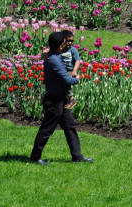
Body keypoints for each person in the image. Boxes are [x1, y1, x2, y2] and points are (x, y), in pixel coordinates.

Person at [30, 32, 93, 165]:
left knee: (70, 126)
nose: (66, 44)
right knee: (47, 129)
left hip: (62, 99)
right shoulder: (54, 60)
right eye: (64, 42)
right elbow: (67, 79)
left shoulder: (54, 56)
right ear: (59, 46)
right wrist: (78, 79)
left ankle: (77, 155)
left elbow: (54, 55)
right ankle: (35, 157)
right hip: (54, 101)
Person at [61, 30, 82, 110]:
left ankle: (72, 99)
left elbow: (77, 61)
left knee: (66, 81)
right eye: (68, 41)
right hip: (61, 70)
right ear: (63, 40)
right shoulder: (60, 49)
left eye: (72, 41)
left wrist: (74, 71)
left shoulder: (73, 50)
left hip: (70, 70)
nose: (70, 43)